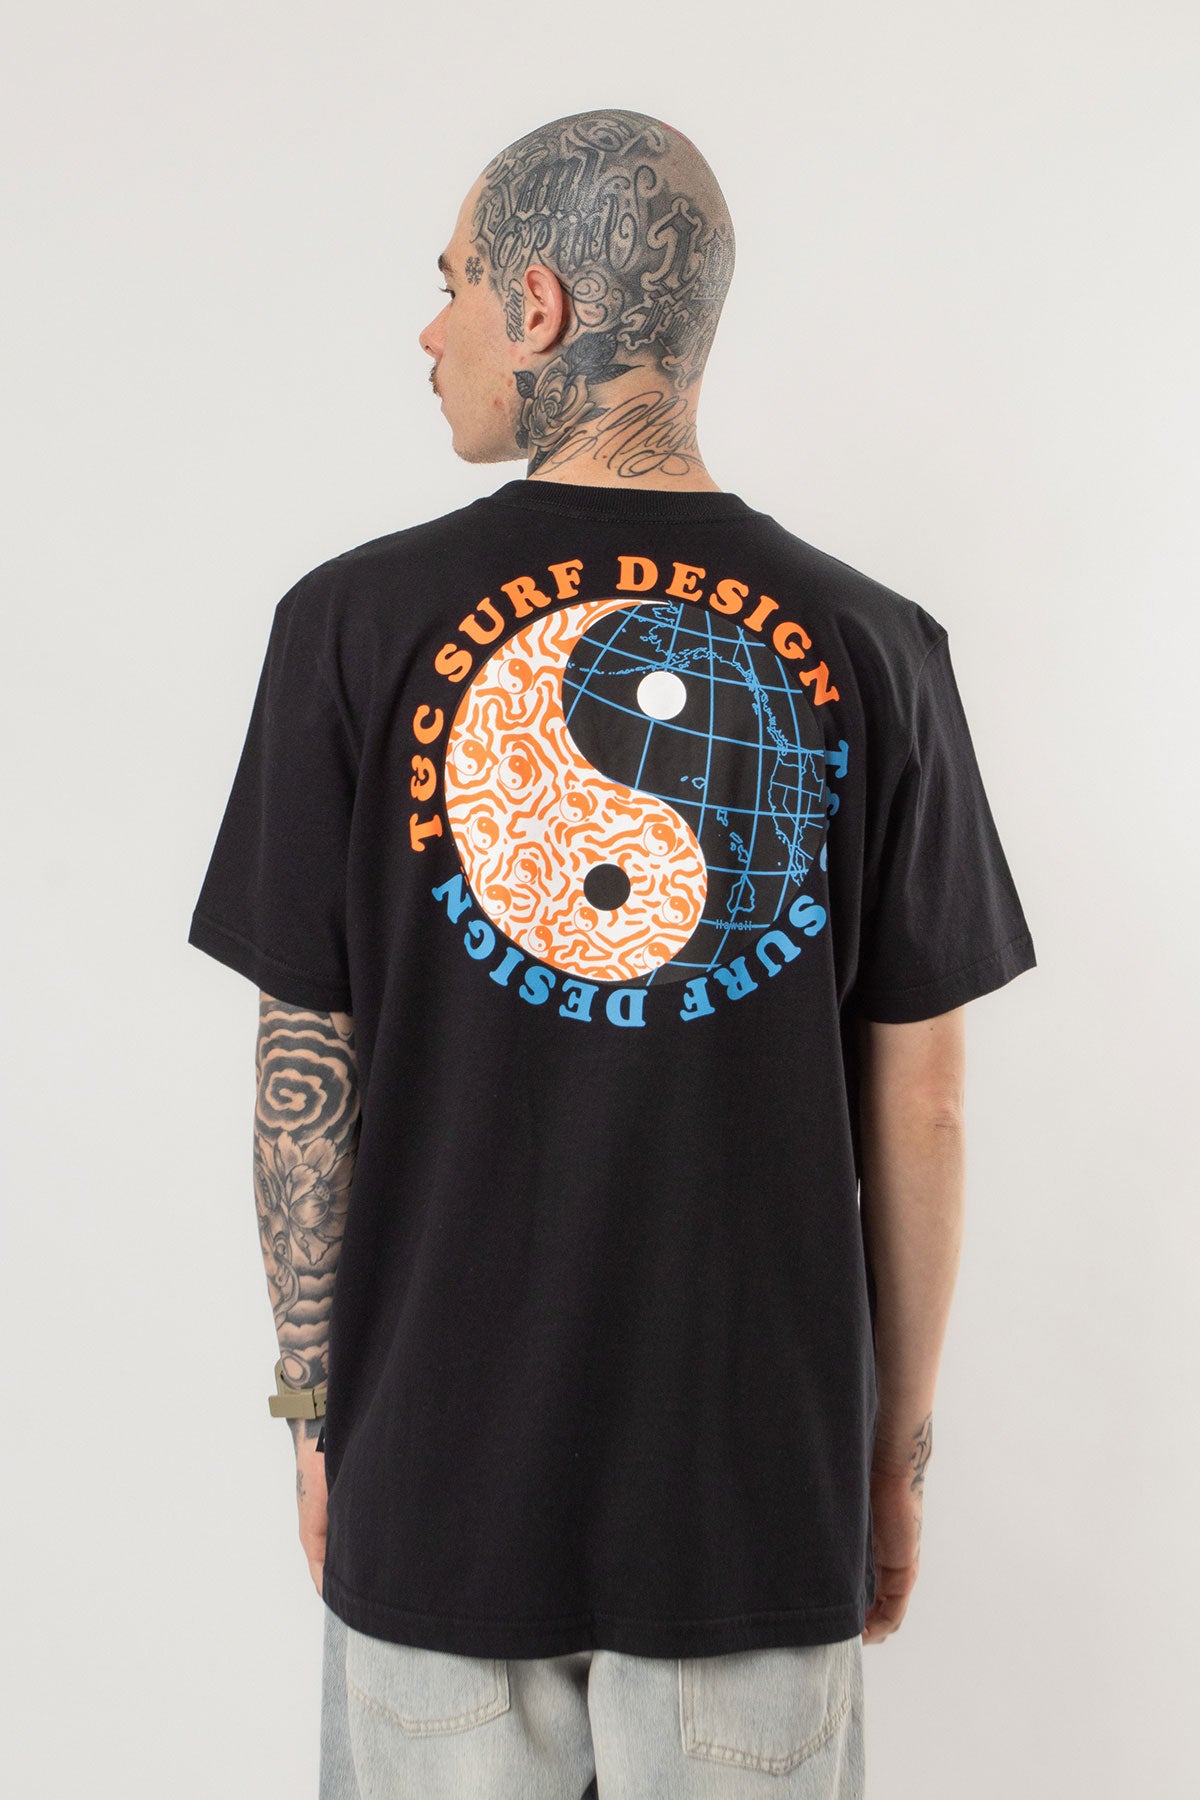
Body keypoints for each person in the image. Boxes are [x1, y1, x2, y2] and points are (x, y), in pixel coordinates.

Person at [187, 108, 1037, 1799]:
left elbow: (306, 1064)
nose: (428, 331)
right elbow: (926, 1104)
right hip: (755, 1498)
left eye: (451, 285)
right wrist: (892, 1457)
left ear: (541, 308)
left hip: (439, 1478)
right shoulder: (876, 645)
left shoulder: (350, 626)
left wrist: (313, 1405)